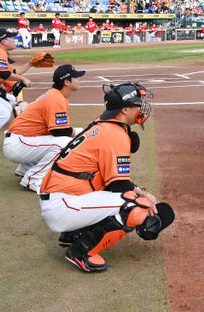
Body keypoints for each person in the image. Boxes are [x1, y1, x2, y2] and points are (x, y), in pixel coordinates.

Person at [38, 82, 174, 273]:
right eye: (138, 104)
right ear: (125, 109)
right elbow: (119, 185)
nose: (142, 108)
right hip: (62, 204)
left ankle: (74, 233)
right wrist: (143, 194)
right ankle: (82, 251)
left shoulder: (103, 124)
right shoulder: (114, 134)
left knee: (122, 193)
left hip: (62, 196)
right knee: (135, 206)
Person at [3, 64, 86, 192]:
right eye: (76, 77)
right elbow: (58, 131)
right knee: (64, 143)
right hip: (18, 144)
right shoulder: (56, 97)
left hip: (20, 141)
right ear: (67, 82)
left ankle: (25, 168)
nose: (79, 80)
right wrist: (80, 132)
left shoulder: (56, 95)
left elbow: (57, 129)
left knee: (61, 138)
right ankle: (33, 179)